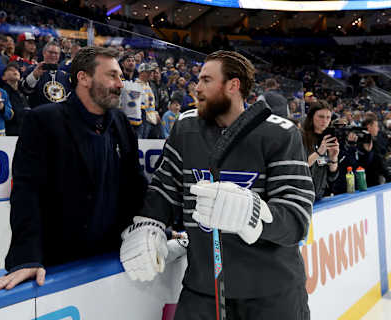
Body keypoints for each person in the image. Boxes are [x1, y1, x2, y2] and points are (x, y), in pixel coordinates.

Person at [119, 50, 314, 319]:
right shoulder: (185, 127)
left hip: (272, 292)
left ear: (233, 86)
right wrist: (149, 224)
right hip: (202, 289)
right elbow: (165, 188)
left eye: (206, 80)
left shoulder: (280, 133)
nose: (196, 87)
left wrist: (254, 214)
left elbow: (296, 218)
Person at [0, 46, 147, 291]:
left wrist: (156, 226)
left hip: (111, 258)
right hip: (59, 263)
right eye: (112, 75)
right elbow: (26, 192)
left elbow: (135, 184)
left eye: (120, 77)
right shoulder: (43, 120)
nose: (120, 84)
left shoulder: (120, 122)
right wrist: (27, 257)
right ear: (84, 78)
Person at [301, 100, 339, 200]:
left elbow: (332, 176)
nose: (325, 121)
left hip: (321, 196)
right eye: (321, 117)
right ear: (312, 117)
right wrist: (319, 152)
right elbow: (300, 166)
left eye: (328, 117)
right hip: (303, 196)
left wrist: (333, 157)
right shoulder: (301, 136)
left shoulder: (329, 138)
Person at [21, 41, 71, 108]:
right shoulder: (32, 69)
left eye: (56, 53)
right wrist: (34, 76)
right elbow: (24, 90)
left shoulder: (64, 75)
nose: (53, 55)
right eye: (50, 52)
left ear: (59, 56)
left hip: (59, 115)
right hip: (38, 114)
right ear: (44, 53)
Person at [1, 62, 30, 136]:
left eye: (17, 70)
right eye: (11, 70)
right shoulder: (2, 92)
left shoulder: (24, 91)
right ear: (3, 77)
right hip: (11, 132)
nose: (15, 71)